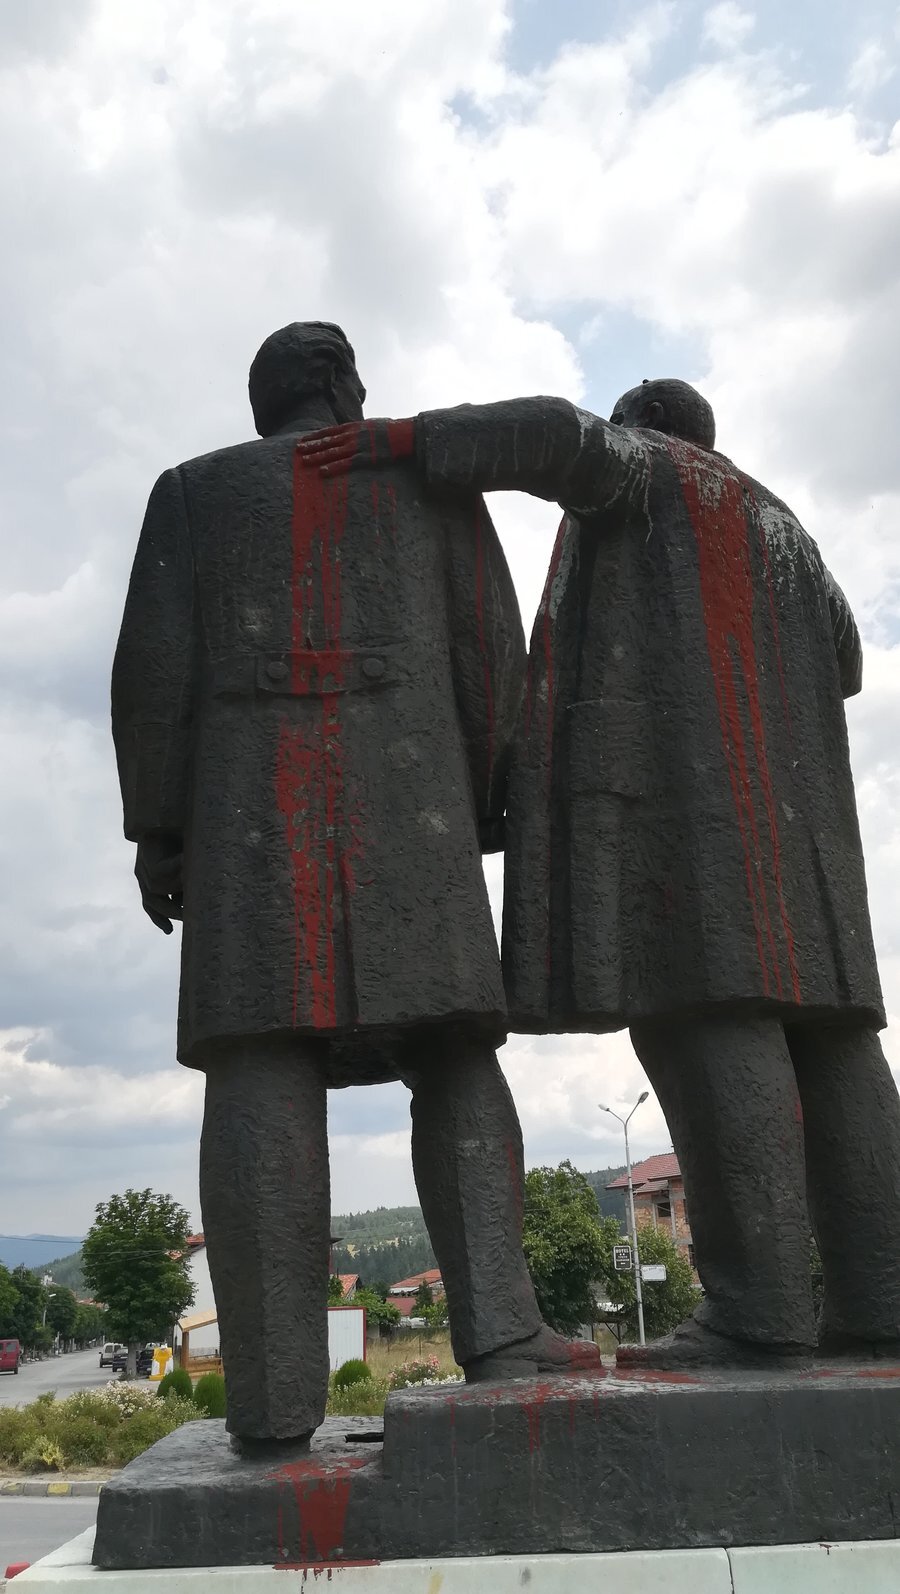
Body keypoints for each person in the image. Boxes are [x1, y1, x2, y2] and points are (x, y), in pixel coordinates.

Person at [300, 380, 900, 1366]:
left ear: (641, 428)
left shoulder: (653, 469)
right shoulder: (784, 527)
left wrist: (402, 440)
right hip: (810, 835)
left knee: (707, 1015)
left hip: (689, 805)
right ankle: (882, 1304)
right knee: (837, 1045)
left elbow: (551, 432)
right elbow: (846, 657)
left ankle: (760, 1313)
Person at [112, 323, 597, 1450]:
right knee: (454, 1053)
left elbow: (152, 675)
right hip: (412, 796)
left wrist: (160, 829)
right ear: (342, 387)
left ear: (267, 400)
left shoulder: (190, 492)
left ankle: (271, 1396)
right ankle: (503, 1332)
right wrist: (487, 796)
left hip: (248, 810)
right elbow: (491, 651)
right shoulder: (423, 477)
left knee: (259, 1063)